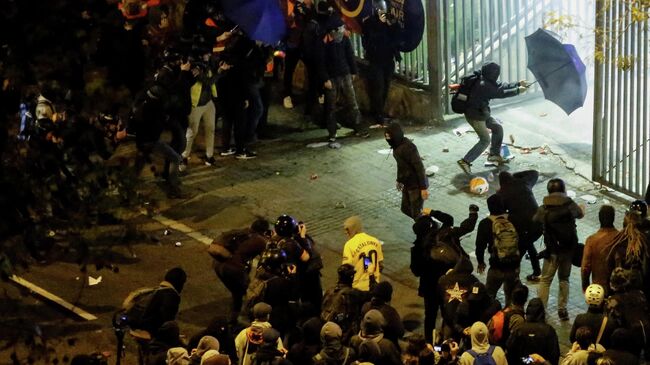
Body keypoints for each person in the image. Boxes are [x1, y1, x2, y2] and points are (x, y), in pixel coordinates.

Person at [456, 62, 528, 174]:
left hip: (481, 113)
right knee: (485, 140)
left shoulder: (484, 78)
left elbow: (500, 85)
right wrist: (518, 90)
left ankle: (494, 155)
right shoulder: (483, 85)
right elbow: (501, 92)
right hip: (475, 116)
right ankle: (465, 161)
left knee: (497, 128)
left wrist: (518, 83)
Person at [533, 178, 585, 321]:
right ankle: (562, 310)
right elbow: (580, 214)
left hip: (552, 251)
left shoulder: (544, 208)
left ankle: (541, 310)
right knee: (564, 279)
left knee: (545, 280)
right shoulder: (569, 204)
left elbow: (535, 219)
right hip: (568, 250)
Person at [316, 14, 368, 148]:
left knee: (353, 102)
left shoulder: (344, 39)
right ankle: (332, 133)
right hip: (331, 78)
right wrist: (325, 79)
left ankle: (358, 128)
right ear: (332, 31)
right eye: (339, 28)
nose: (342, 30)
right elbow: (320, 63)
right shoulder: (323, 43)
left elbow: (350, 55)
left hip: (345, 74)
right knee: (331, 106)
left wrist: (353, 71)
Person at [208, 219, 269, 324]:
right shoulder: (260, 241)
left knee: (236, 291)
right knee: (249, 293)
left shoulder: (242, 232)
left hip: (218, 265)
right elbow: (266, 258)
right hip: (233, 269)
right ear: (264, 231)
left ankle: (234, 316)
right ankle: (236, 320)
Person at [496, 170, 543, 281]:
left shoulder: (502, 193)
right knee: (528, 244)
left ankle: (513, 276)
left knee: (522, 249)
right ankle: (536, 272)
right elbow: (535, 173)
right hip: (538, 222)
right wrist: (515, 176)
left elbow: (500, 211)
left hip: (523, 227)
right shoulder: (524, 182)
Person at [475, 194, 521, 306]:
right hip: (513, 266)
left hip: (496, 267)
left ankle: (490, 318)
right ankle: (509, 318)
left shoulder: (485, 223)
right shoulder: (513, 220)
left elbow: (480, 246)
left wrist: (481, 262)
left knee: (489, 295)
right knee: (510, 297)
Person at [361, 0, 400, 127]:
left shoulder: (388, 21)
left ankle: (380, 112)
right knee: (378, 88)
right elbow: (368, 41)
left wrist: (391, 25)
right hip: (376, 60)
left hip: (388, 59)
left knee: (385, 87)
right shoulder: (369, 23)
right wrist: (380, 24)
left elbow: (394, 38)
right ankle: (377, 114)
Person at [384, 122, 429, 219]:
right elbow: (401, 166)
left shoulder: (408, 147)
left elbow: (419, 167)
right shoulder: (396, 146)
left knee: (416, 213)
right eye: (386, 137)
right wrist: (399, 179)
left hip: (416, 185)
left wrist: (423, 188)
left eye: (389, 137)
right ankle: (428, 223)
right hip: (407, 184)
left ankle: (430, 226)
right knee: (405, 208)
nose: (387, 140)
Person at [180, 58, 218, 167]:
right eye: (206, 54)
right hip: (195, 105)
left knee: (210, 129)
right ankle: (184, 156)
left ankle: (209, 156)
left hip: (208, 103)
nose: (208, 55)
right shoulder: (194, 68)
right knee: (192, 132)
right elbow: (209, 81)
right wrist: (220, 71)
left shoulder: (208, 65)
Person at [320, 264, 367, 342]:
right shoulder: (351, 293)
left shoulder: (329, 290)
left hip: (325, 328)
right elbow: (368, 295)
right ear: (351, 278)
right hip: (343, 333)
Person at [506, 298, 560, 365]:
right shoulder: (549, 331)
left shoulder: (519, 329)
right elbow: (555, 355)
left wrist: (527, 360)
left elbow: (510, 352)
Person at [437, 256, 479, 341]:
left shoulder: (445, 279)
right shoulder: (473, 281)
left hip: (447, 315)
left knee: (446, 340)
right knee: (457, 338)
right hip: (462, 319)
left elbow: (440, 291)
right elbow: (477, 296)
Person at [139, 267, 187, 336]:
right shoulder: (171, 296)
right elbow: (167, 321)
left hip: (143, 326)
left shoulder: (159, 290)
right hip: (151, 332)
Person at [341, 215, 384, 291]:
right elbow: (380, 265)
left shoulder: (349, 244)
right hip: (374, 286)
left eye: (347, 229)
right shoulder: (375, 241)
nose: (345, 232)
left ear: (354, 228)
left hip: (358, 288)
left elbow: (346, 269)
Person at [582, 206, 618, 293]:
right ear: (613, 218)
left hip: (598, 289)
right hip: (618, 288)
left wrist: (585, 287)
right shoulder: (621, 238)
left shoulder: (591, 240)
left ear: (599, 218)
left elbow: (585, 267)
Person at [570, 284, 615, 350]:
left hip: (582, 354)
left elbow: (572, 339)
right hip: (600, 355)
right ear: (602, 300)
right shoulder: (609, 322)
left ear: (586, 300)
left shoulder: (579, 318)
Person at [360, 281, 404, 347]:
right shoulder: (390, 312)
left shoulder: (365, 306)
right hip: (382, 344)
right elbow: (400, 332)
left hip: (364, 340)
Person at [487, 283, 528, 348]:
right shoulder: (518, 319)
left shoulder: (505, 309)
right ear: (525, 300)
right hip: (501, 348)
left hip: (492, 343)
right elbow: (514, 343)